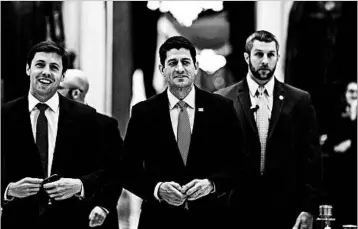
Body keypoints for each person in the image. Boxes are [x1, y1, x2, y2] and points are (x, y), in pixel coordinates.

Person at [121, 36, 245, 229]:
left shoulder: (221, 108)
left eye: (185, 62)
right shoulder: (143, 113)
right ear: (162, 69)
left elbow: (240, 163)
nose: (180, 68)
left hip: (211, 218)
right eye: (172, 63)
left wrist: (212, 184)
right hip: (159, 219)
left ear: (195, 66)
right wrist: (157, 189)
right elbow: (126, 169)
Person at [216, 30, 322, 229]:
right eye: (258, 54)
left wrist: (309, 208)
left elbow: (312, 159)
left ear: (278, 57)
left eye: (270, 55)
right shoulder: (223, 99)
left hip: (285, 210)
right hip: (236, 210)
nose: (265, 60)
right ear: (247, 57)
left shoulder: (299, 100)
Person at [1, 41, 106, 229]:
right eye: (40, 65)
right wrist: (9, 190)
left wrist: (79, 185)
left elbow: (105, 170)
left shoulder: (85, 117)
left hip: (70, 221)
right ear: (28, 69)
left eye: (54, 67)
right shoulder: (5, 116)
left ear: (62, 75)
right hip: (18, 221)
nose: (46, 72)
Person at [58, 69, 124, 229]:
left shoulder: (106, 126)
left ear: (75, 93)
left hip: (94, 216)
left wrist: (104, 206)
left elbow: (118, 170)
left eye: (59, 88)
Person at [323, 81, 357, 227]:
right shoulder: (337, 112)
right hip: (339, 167)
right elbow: (330, 139)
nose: (354, 95)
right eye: (351, 91)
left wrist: (351, 143)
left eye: (357, 92)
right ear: (345, 94)